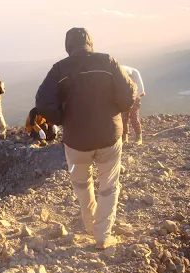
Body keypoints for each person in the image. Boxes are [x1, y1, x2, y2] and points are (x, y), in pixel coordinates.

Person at [36, 28, 136, 250]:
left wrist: (63, 120)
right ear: (90, 42)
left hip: (75, 143)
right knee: (109, 185)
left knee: (81, 184)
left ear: (68, 45)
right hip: (109, 137)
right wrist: (114, 111)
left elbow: (42, 102)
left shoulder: (59, 69)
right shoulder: (107, 61)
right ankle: (102, 235)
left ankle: (91, 226)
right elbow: (129, 95)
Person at [122, 66, 145, 145]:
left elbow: (141, 90)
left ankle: (138, 137)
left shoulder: (135, 73)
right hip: (124, 99)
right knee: (123, 118)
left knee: (134, 117)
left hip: (135, 98)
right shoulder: (119, 75)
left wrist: (133, 98)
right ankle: (124, 137)